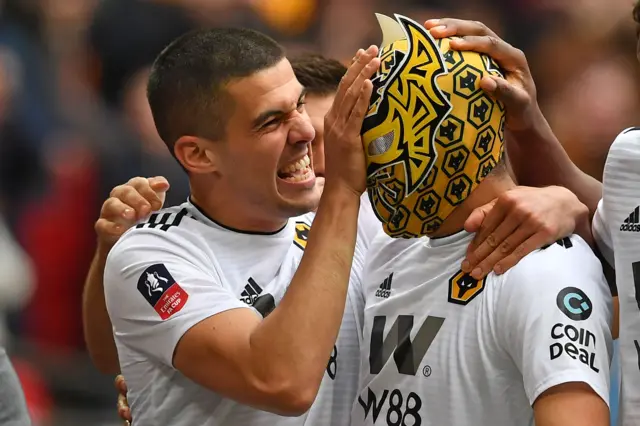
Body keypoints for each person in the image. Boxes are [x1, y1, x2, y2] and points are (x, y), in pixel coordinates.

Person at [84, 27, 591, 426]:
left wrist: (562, 203)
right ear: (197, 153)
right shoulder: (153, 253)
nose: (308, 132)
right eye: (270, 121)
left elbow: (570, 295)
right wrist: (109, 255)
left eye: (300, 105)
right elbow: (281, 381)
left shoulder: (371, 220)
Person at [351, 13, 613, 426]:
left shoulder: (542, 267)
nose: (366, 161)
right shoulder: (384, 248)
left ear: (449, 130)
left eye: (380, 139)